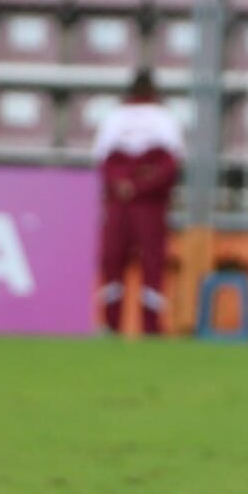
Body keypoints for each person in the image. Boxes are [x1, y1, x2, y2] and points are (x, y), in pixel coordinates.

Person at [93, 69, 183, 335]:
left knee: (120, 261)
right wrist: (140, 182)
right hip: (146, 203)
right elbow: (169, 164)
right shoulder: (163, 117)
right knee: (142, 262)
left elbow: (105, 162)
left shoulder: (116, 117)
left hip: (133, 202)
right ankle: (146, 326)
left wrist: (124, 184)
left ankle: (115, 323)